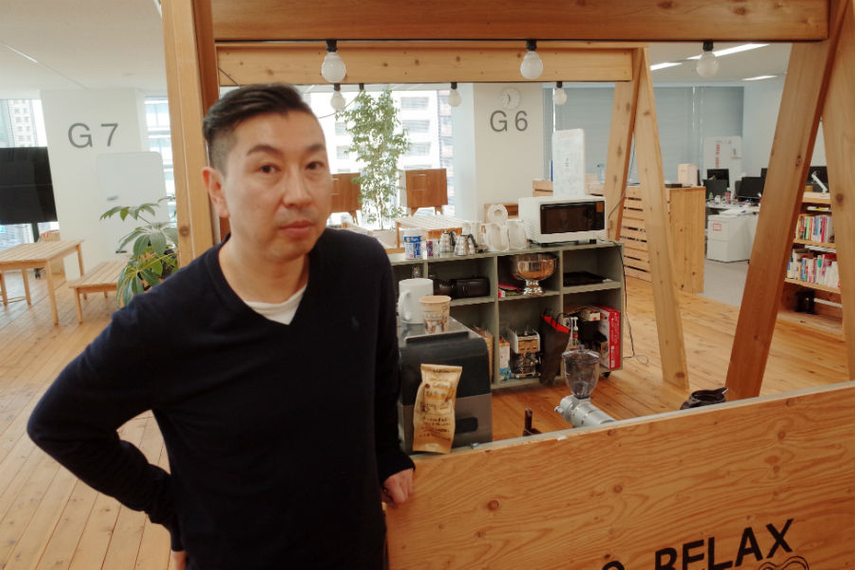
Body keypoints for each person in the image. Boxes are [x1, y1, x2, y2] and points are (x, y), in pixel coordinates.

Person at [27, 83, 415, 569]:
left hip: (355, 550)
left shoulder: (362, 267)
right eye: (268, 168)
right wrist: (171, 508)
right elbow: (59, 425)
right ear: (218, 190)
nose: (299, 193)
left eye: (313, 166)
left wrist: (387, 452)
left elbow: (380, 371)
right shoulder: (165, 319)